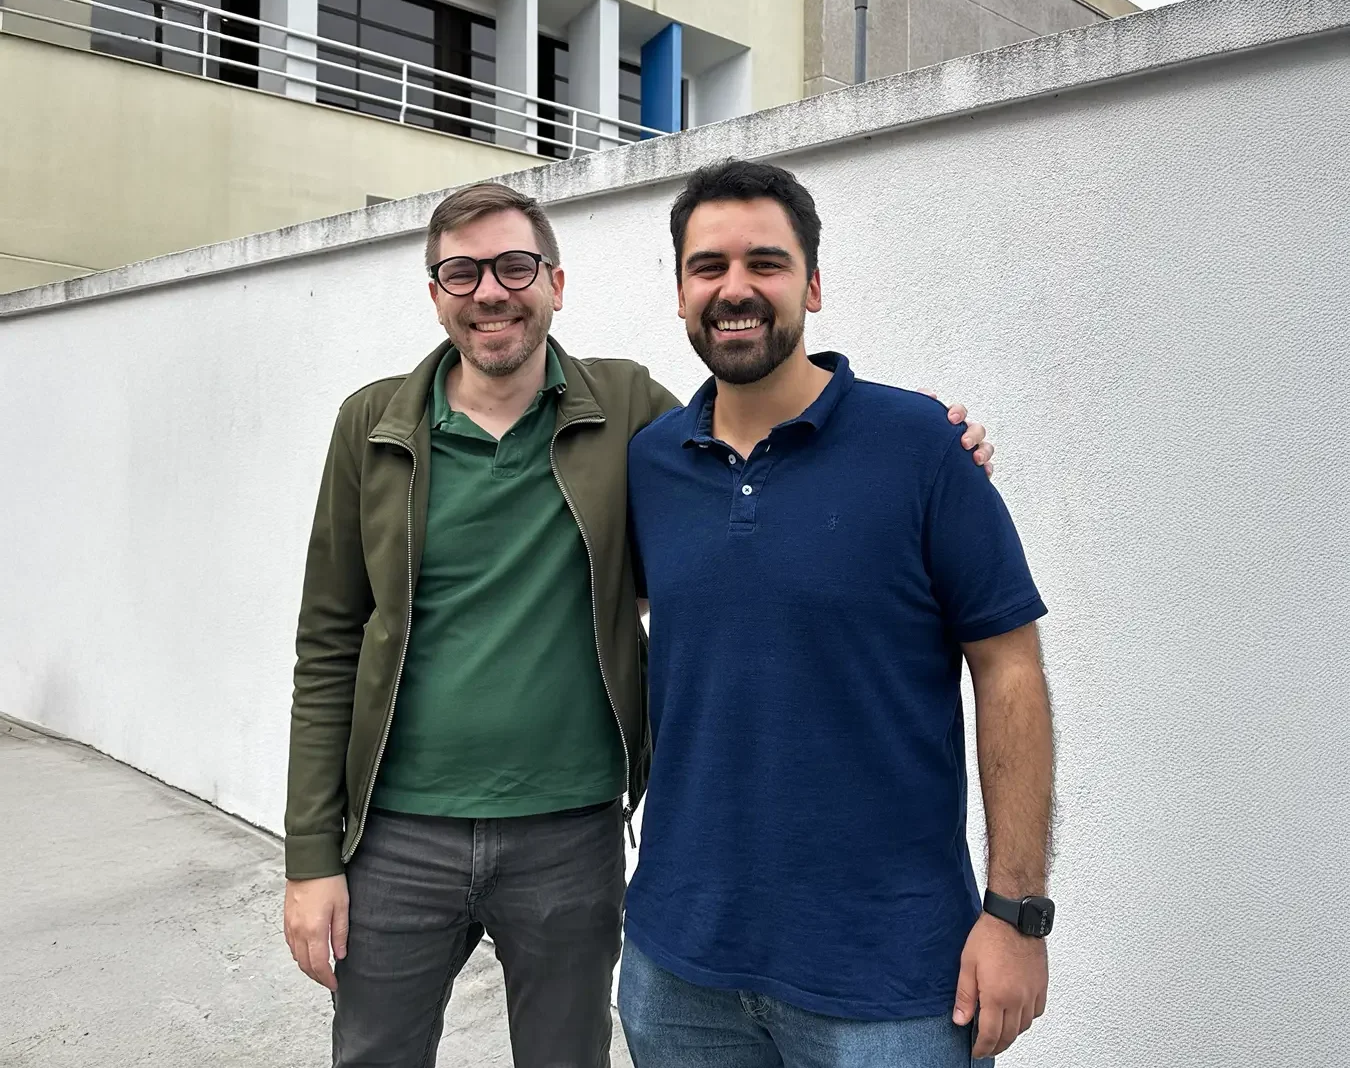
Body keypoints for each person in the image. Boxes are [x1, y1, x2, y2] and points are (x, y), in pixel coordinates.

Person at [282, 180, 997, 1068]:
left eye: (514, 267)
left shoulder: (626, 410)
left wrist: (916, 437)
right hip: (397, 831)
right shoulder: (371, 424)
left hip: (569, 830)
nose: (490, 292)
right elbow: (329, 643)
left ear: (556, 283)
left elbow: (748, 453)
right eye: (461, 273)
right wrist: (311, 855)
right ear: (435, 294)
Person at [619, 159, 1055, 1068]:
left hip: (891, 979)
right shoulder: (649, 464)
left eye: (765, 263)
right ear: (681, 293)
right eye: (708, 266)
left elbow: (1009, 667)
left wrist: (1016, 914)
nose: (735, 288)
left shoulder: (921, 448)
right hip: (677, 969)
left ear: (812, 285)